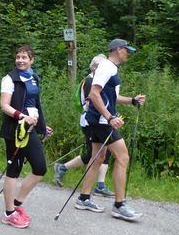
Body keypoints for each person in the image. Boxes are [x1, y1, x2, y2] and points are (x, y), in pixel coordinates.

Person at [75, 38, 145, 221]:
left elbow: (111, 97)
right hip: (102, 121)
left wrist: (131, 100)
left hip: (97, 120)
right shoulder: (107, 66)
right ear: (118, 50)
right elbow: (94, 94)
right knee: (123, 157)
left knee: (97, 158)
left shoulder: (110, 67)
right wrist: (110, 117)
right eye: (127, 50)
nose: (128, 54)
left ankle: (83, 198)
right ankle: (119, 205)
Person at [0, 45, 53, 228]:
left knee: (40, 168)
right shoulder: (9, 79)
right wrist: (22, 117)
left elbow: (35, 105)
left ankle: (16, 204)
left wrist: (43, 127)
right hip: (15, 129)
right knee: (13, 170)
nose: (20, 60)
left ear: (32, 60)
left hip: (30, 128)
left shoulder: (34, 78)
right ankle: (9, 213)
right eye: (18, 57)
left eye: (24, 57)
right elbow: (4, 105)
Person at [54, 54, 115, 197]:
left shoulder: (96, 80)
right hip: (91, 122)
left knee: (99, 153)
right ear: (95, 67)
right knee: (96, 154)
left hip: (97, 121)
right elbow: (90, 103)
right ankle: (65, 169)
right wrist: (106, 115)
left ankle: (98, 184)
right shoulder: (90, 81)